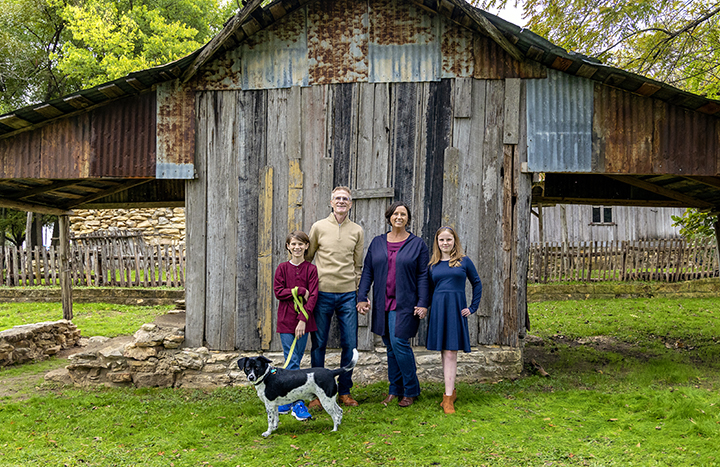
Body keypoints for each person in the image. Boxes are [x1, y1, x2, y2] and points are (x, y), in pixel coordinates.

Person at [357, 201, 429, 408]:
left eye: (403, 214)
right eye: (395, 214)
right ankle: (394, 389)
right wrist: (361, 296)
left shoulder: (417, 244)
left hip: (405, 303)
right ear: (389, 217)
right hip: (382, 302)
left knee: (399, 343)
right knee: (389, 346)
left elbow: (423, 275)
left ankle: (411, 389)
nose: (399, 217)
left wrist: (423, 302)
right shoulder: (378, 242)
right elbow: (368, 271)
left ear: (408, 219)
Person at [307, 186, 364, 407]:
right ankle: (318, 394)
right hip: (322, 293)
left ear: (350, 204)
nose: (341, 202)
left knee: (350, 343)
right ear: (331, 202)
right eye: (337, 198)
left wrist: (356, 288)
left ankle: (345, 391)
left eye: (345, 199)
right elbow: (309, 258)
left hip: (347, 294)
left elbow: (358, 264)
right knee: (319, 343)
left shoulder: (357, 230)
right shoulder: (319, 227)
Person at [426, 226, 482, 414]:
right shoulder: (433, 265)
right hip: (439, 310)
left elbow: (477, 283)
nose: (445, 243)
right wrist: (422, 306)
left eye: (449, 239)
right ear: (437, 242)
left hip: (455, 310)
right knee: (444, 351)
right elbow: (428, 290)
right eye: (441, 240)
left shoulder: (464, 262)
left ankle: (448, 398)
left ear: (454, 241)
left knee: (451, 352)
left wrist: (472, 307)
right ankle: (450, 392)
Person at [273, 230, 318, 421]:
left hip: (304, 322)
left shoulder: (311, 269)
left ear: (306, 246)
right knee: (290, 360)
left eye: (301, 244)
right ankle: (296, 403)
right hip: (285, 321)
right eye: (293, 244)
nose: (297, 247)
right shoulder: (282, 268)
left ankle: (287, 401)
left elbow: (313, 296)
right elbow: (278, 292)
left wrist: (302, 320)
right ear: (288, 247)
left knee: (295, 360)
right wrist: (299, 290)